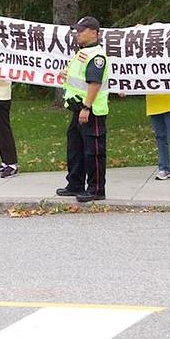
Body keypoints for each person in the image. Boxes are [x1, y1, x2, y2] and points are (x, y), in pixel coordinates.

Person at [56, 16, 109, 202]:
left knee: (93, 151)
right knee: (75, 148)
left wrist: (87, 107)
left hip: (91, 110)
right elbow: (78, 77)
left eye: (82, 30)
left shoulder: (97, 56)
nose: (77, 33)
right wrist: (66, 74)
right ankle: (75, 183)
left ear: (93, 33)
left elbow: (94, 83)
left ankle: (96, 189)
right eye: (77, 30)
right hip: (77, 108)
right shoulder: (82, 53)